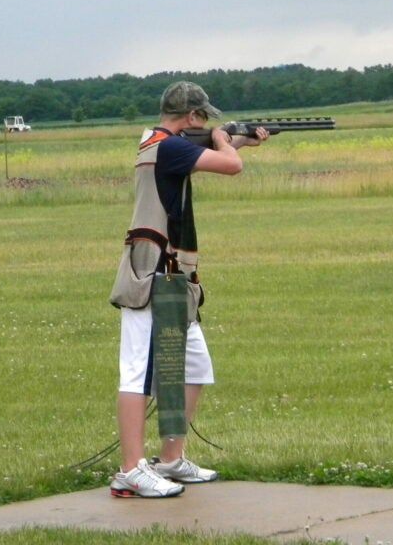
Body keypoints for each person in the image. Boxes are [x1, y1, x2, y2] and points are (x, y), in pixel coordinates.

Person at [107, 81, 268, 498]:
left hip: (174, 274)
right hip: (152, 273)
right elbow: (231, 166)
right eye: (203, 117)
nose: (207, 123)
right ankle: (130, 469)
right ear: (193, 117)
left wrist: (236, 141)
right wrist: (226, 142)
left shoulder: (160, 142)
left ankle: (171, 459)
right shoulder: (170, 147)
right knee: (138, 372)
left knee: (195, 366)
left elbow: (220, 155)